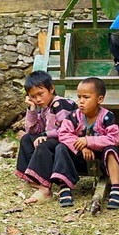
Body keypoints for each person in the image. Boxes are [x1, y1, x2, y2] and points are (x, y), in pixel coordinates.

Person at [48, 77, 119, 210]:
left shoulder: (107, 117)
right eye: (79, 97)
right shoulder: (73, 116)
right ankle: (64, 187)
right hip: (80, 158)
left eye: (86, 97)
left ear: (99, 99)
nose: (81, 101)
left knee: (111, 150)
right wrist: (82, 147)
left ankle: (116, 190)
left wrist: (88, 141)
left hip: (101, 160)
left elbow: (113, 138)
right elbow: (64, 134)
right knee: (61, 147)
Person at [15, 71, 77, 204]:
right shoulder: (44, 108)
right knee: (27, 138)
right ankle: (33, 180)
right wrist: (31, 109)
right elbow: (32, 130)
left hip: (67, 146)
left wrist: (46, 135)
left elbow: (67, 131)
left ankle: (45, 190)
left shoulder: (60, 104)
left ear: (52, 88)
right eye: (33, 96)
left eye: (40, 94)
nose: (37, 99)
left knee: (44, 144)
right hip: (53, 141)